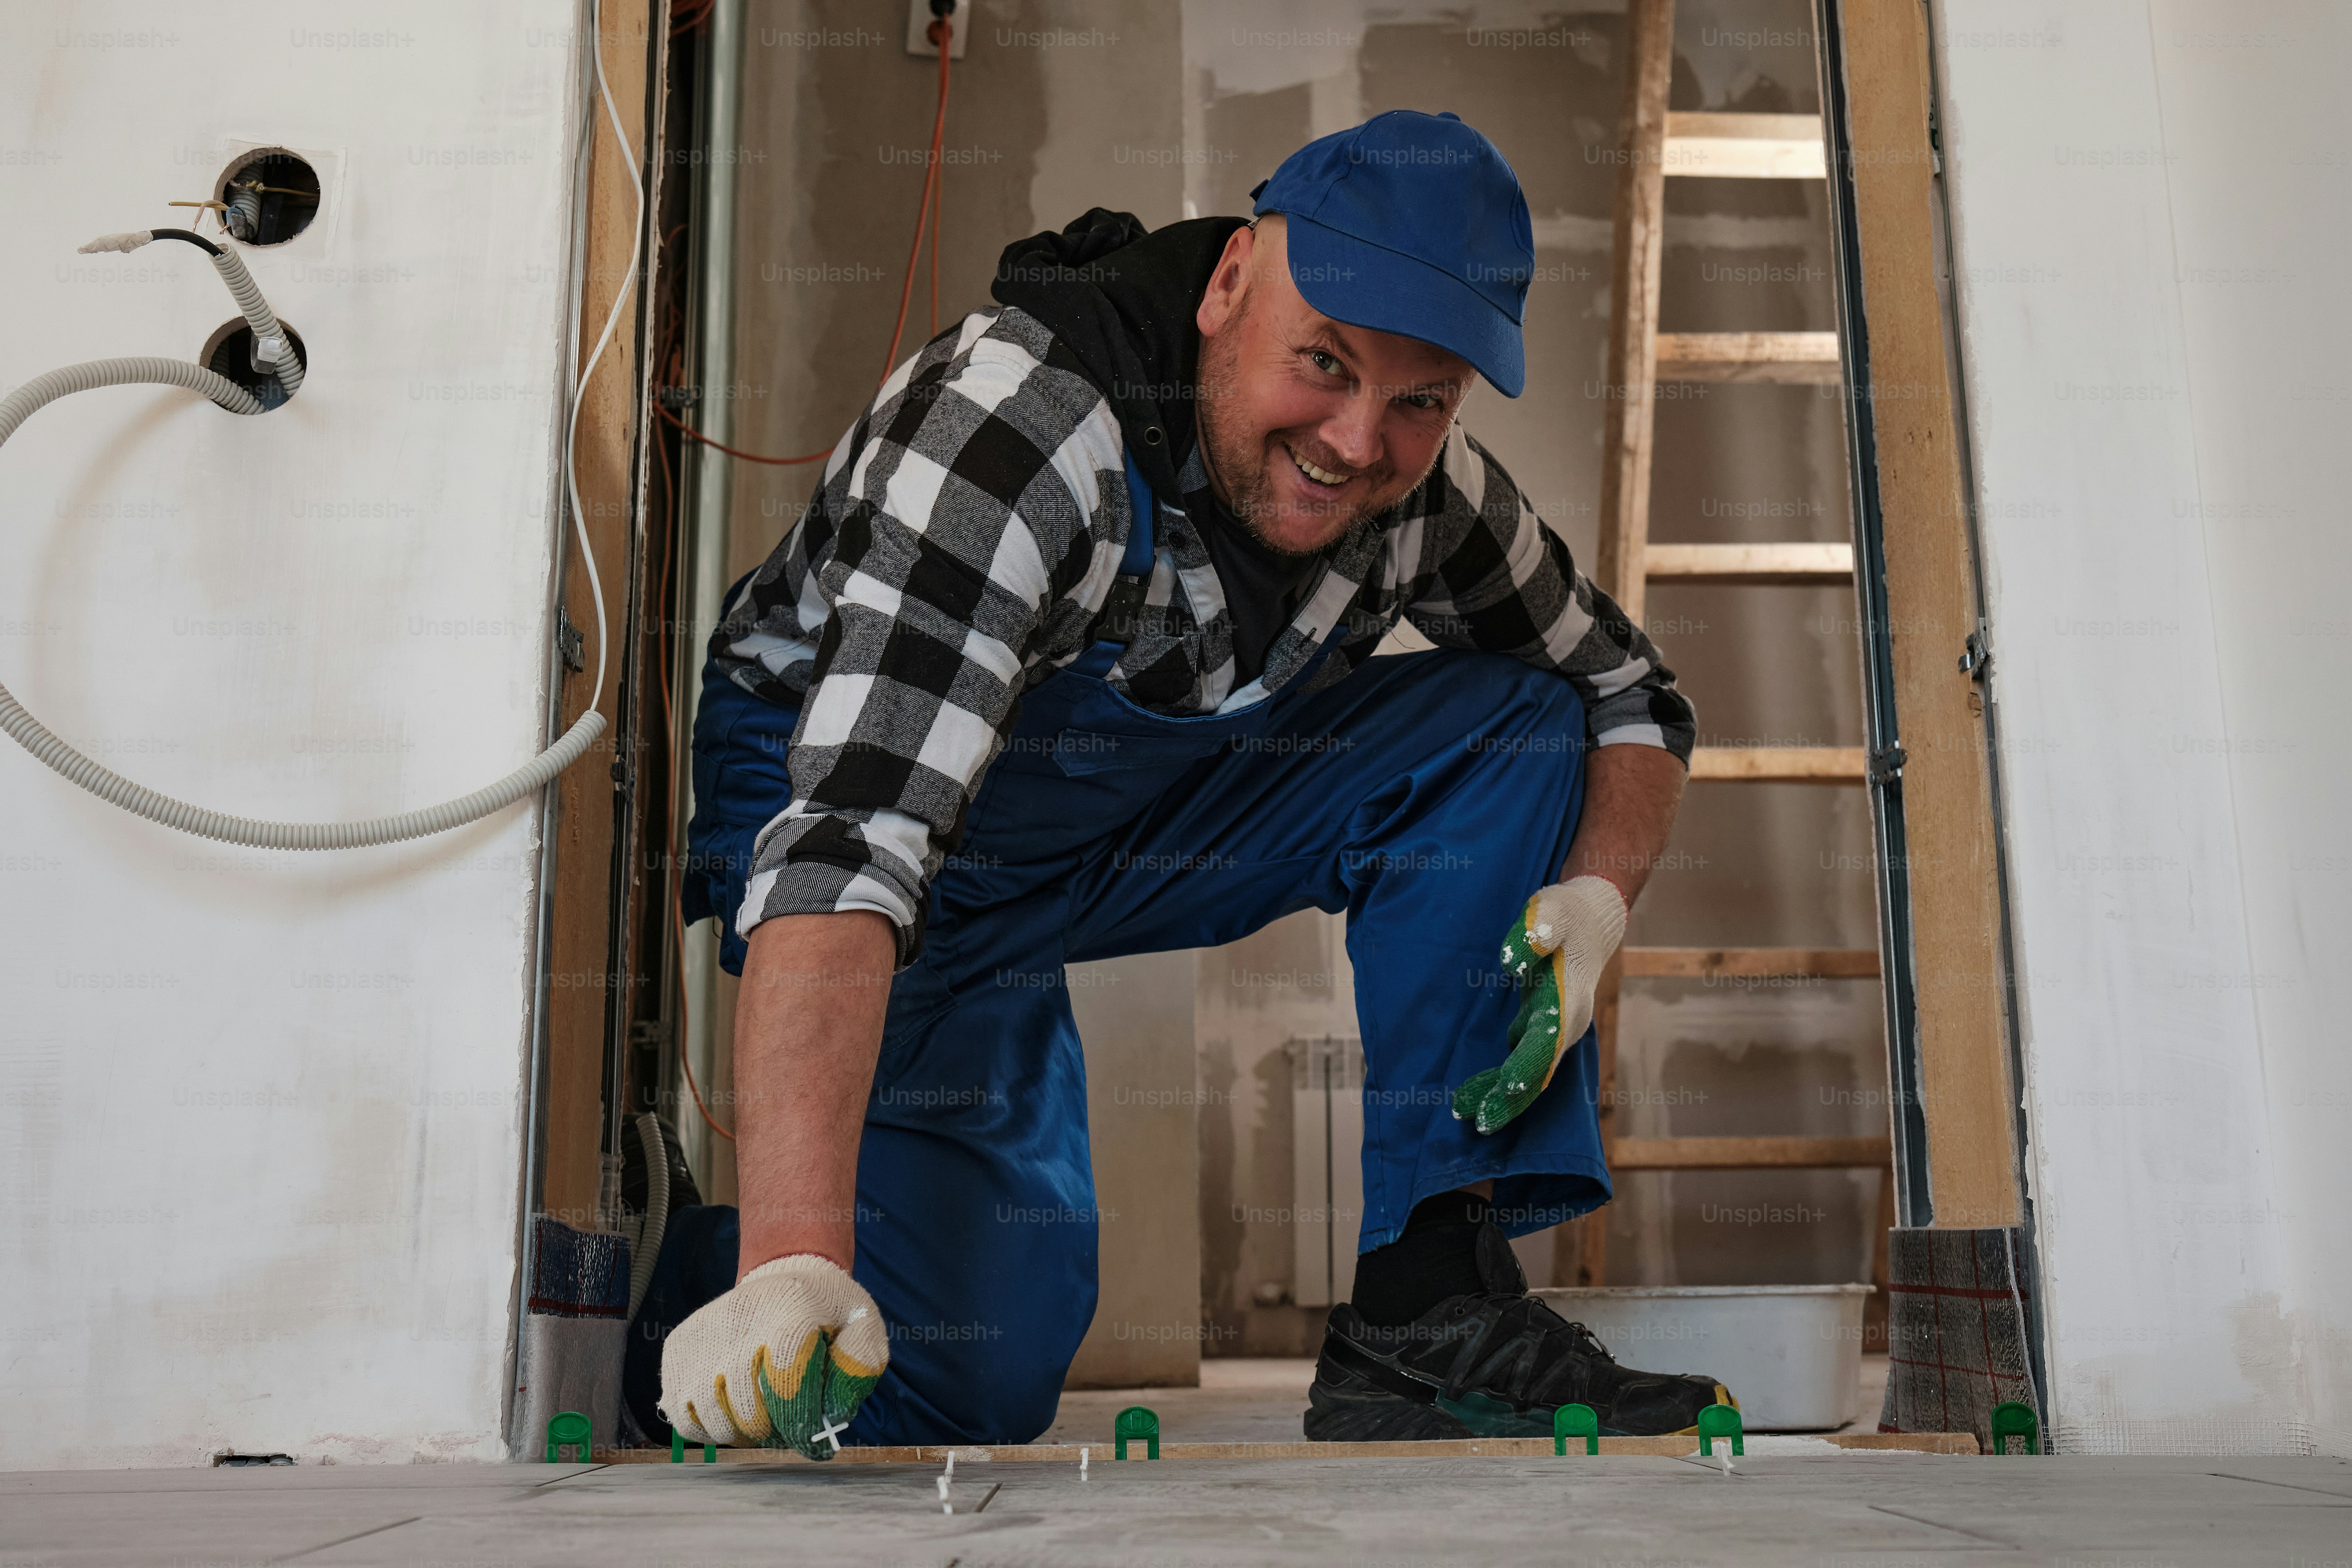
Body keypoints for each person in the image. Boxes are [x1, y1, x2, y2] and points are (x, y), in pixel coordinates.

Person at [626, 110, 1733, 1457]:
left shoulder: (1424, 501)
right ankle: (675, 1288)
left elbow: (1633, 697)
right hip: (864, 818)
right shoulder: (1019, 440)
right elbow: (851, 840)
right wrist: (791, 1261)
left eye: (1419, 401)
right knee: (962, 1374)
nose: (1354, 442)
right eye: (1322, 363)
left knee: (1516, 726)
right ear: (1226, 290)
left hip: (1121, 818)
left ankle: (1424, 1312)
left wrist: (1599, 898)